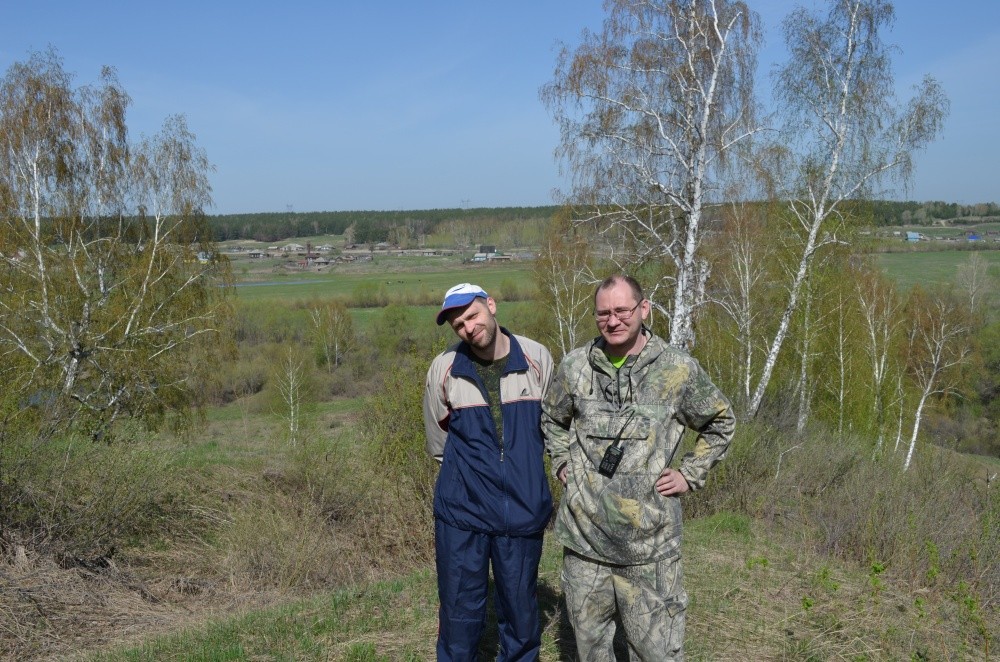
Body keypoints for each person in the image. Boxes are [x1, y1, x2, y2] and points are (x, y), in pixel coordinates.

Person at [541, 274, 735, 661]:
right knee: (591, 650)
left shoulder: (677, 369)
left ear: (643, 309)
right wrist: (561, 461)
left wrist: (690, 474)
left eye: (622, 310)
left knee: (656, 653)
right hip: (585, 545)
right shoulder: (575, 366)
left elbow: (720, 421)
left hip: (650, 549)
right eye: (603, 313)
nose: (612, 321)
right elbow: (551, 417)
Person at [423, 282, 555, 661]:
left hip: (523, 509)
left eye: (473, 315)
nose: (468, 327)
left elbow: (554, 430)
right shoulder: (444, 369)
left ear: (491, 306)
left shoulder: (536, 357)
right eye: (459, 325)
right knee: (459, 618)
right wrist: (472, 479)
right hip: (462, 515)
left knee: (521, 618)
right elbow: (439, 443)